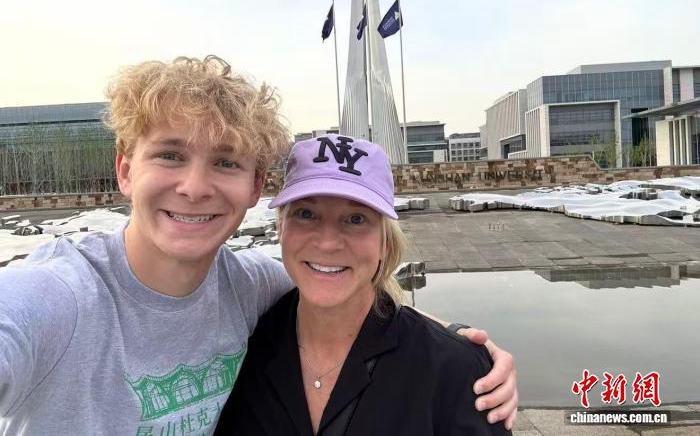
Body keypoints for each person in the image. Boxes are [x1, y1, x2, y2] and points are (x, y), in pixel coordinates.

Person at [0, 56, 516, 436]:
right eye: (170, 155)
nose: (195, 187)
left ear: (254, 187)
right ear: (125, 169)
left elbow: (347, 286)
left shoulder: (247, 287)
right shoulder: (58, 297)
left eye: (225, 162)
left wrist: (461, 349)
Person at [215, 134, 512, 435]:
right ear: (281, 227)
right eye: (306, 214)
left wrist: (467, 350)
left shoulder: (455, 370)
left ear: (384, 243)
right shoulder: (242, 349)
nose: (328, 243)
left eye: (356, 219)